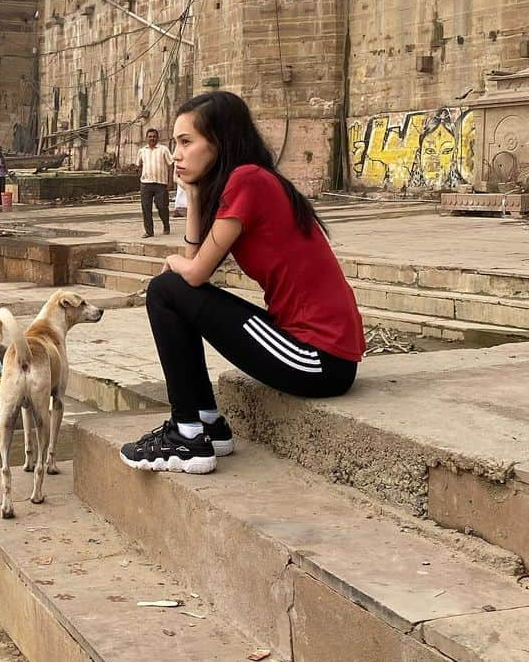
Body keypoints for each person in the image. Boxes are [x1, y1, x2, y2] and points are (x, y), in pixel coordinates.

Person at [118, 91, 365, 475]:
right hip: (308, 349)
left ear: (219, 143)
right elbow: (197, 270)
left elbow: (194, 272)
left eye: (186, 142)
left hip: (319, 359)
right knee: (174, 291)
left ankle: (187, 436)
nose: (176, 155)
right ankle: (207, 423)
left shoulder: (248, 180)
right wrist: (195, 196)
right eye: (174, 144)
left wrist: (171, 260)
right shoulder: (249, 180)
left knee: (166, 289)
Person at [136, 128, 173, 238]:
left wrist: (170, 181)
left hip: (160, 183)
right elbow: (138, 165)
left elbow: (171, 165)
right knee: (146, 207)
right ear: (146, 138)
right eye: (150, 136)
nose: (152, 138)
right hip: (146, 184)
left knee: (162, 206)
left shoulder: (164, 149)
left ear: (157, 138)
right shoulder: (142, 151)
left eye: (154, 136)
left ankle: (166, 225)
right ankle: (149, 231)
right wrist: (140, 174)